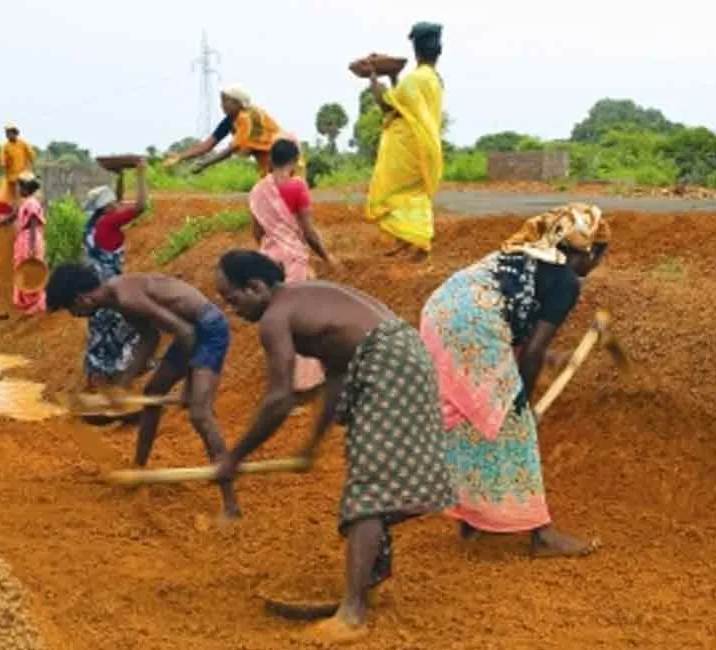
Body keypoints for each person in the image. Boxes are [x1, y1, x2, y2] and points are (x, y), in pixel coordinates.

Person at [214, 250, 454, 639]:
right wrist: (311, 445)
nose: (231, 309)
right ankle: (370, 578)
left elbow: (278, 399)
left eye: (232, 298)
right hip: (401, 355)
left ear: (256, 287)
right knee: (371, 473)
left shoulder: (275, 318)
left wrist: (234, 457)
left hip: (389, 363)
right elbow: (338, 377)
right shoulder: (306, 299)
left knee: (369, 487)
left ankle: (353, 613)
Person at [419, 203, 610, 557]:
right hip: (471, 329)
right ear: (587, 252)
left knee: (474, 419)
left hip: (440, 313)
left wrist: (553, 358)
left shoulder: (529, 253)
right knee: (513, 425)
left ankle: (471, 520)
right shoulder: (566, 281)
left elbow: (512, 318)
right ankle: (542, 534)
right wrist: (520, 402)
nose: (597, 265)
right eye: (599, 255)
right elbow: (531, 350)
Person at [46, 263, 242, 519]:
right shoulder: (116, 299)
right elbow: (150, 338)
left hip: (208, 329)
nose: (74, 315)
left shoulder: (125, 297)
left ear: (82, 298)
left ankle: (231, 506)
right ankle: (139, 470)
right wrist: (123, 384)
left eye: (71, 309)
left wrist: (190, 387)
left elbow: (187, 334)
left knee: (199, 413)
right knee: (152, 396)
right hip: (190, 330)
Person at [248, 138, 334, 394]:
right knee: (301, 322)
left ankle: (281, 380)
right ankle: (303, 383)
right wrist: (327, 257)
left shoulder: (257, 190)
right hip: (293, 260)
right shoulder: (297, 186)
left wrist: (271, 248)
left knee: (277, 321)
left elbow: (257, 231)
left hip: (267, 261)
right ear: (296, 161)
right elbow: (309, 231)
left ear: (271, 160)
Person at [365, 22, 445, 263]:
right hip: (427, 145)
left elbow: (387, 104)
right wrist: (393, 76)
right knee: (415, 190)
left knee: (395, 190)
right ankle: (406, 241)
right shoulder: (433, 79)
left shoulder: (415, 80)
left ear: (416, 50)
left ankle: (419, 241)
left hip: (408, 147)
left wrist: (372, 77)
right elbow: (405, 102)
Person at [79, 162, 149, 386]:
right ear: (106, 207)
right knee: (126, 330)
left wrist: (119, 178)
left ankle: (94, 384)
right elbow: (140, 207)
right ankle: (121, 378)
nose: (117, 205)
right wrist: (140, 175)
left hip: (92, 289)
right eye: (113, 203)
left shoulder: (94, 224)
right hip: (110, 290)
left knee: (99, 338)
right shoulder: (109, 223)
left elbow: (115, 203)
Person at [164, 86, 296, 178]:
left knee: (283, 196)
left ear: (238, 103)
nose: (222, 105)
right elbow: (208, 145)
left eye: (225, 101)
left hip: (285, 157)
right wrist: (181, 157)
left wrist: (205, 163)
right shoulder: (230, 120)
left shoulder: (246, 117)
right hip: (268, 162)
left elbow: (232, 149)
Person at [0, 171, 47, 314]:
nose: (18, 190)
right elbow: (11, 217)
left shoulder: (31, 203)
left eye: (20, 187)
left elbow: (33, 224)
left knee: (30, 270)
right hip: (24, 240)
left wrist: (32, 248)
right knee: (22, 269)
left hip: (30, 240)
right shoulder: (25, 203)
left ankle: (36, 304)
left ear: (26, 188)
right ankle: (27, 304)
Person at [0, 124, 36, 216]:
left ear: (15, 133)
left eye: (10, 133)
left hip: (22, 175)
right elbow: (2, 161)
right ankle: (9, 213)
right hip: (10, 176)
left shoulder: (23, 143)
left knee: (23, 194)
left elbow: (31, 155)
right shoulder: (5, 147)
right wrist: (4, 168)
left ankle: (23, 211)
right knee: (5, 196)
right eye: (7, 133)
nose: (8, 135)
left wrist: (31, 167)